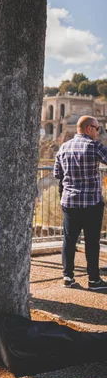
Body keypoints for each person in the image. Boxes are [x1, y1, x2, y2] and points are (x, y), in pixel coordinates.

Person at [54, 115, 107, 290]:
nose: (98, 132)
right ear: (88, 128)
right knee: (92, 242)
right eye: (97, 128)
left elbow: (57, 174)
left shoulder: (63, 147)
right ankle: (93, 280)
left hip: (70, 202)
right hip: (91, 202)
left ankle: (68, 277)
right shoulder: (94, 146)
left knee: (69, 240)